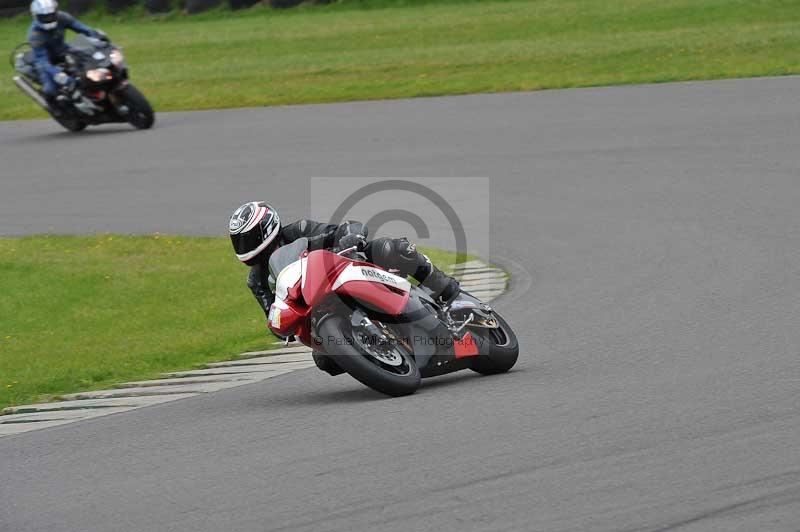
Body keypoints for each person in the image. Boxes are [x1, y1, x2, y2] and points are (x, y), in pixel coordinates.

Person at [228, 201, 461, 321]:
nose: (244, 247)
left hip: (350, 268)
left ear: (266, 228)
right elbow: (274, 315)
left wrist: (350, 242)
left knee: (392, 247)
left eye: (247, 239)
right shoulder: (257, 280)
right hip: (320, 304)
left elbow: (347, 227)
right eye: (239, 241)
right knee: (325, 361)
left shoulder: (299, 230)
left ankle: (441, 287)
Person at [27, 0, 102, 110]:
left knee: (90, 55)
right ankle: (53, 106)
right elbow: (42, 60)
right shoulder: (35, 35)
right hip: (46, 60)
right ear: (35, 16)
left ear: (56, 12)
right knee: (50, 89)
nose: (48, 19)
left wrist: (97, 37)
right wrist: (57, 73)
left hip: (63, 49)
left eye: (51, 15)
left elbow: (82, 28)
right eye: (44, 17)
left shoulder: (63, 17)